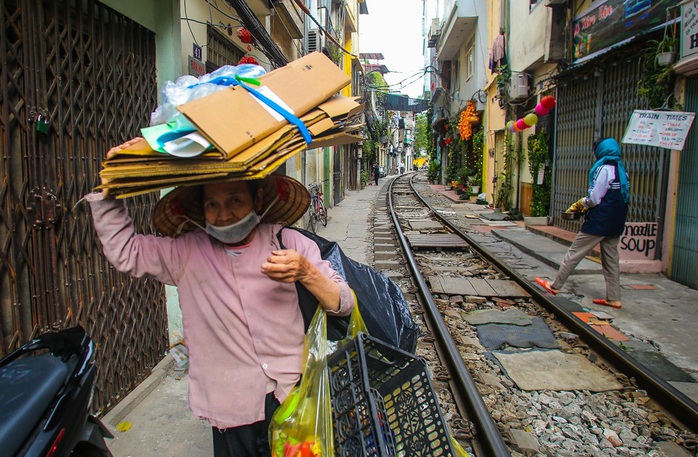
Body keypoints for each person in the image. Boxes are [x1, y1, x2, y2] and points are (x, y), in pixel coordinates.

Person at [86, 138, 354, 457]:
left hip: (293, 397)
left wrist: (307, 272)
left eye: (235, 200)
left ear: (257, 200)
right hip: (231, 409)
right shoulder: (186, 253)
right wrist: (109, 186)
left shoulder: (290, 244)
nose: (224, 214)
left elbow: (344, 303)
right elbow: (126, 251)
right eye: (212, 205)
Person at [535, 137, 630, 309]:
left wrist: (582, 204)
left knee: (575, 253)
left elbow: (594, 197)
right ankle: (614, 298)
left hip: (600, 220)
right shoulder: (622, 171)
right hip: (616, 221)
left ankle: (555, 285)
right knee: (611, 259)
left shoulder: (604, 169)